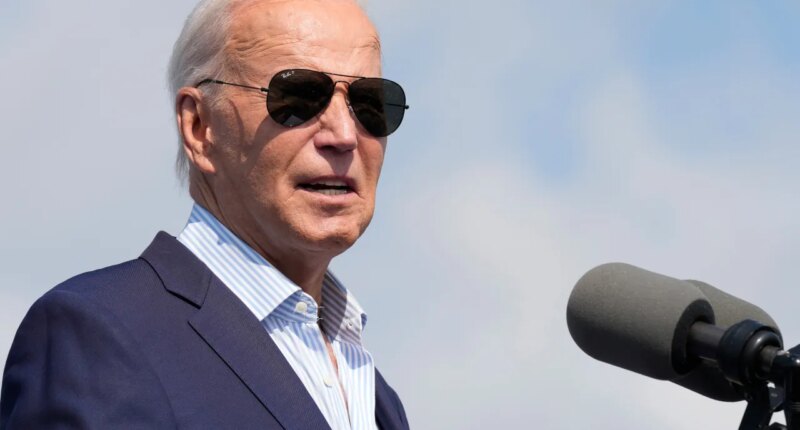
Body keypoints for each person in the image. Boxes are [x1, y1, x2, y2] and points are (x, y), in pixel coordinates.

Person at [0, 0, 409, 428]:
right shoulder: (100, 334)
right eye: (299, 98)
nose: (344, 135)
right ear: (199, 127)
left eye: (370, 104)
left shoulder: (374, 394)